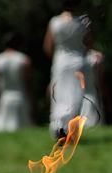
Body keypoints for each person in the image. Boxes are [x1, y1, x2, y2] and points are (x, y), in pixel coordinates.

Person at [43, 0, 100, 139]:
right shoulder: (83, 22)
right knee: (76, 95)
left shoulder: (55, 22)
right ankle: (70, 127)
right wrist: (80, 54)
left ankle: (58, 125)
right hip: (78, 61)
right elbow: (89, 43)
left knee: (59, 94)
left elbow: (48, 46)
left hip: (61, 61)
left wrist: (57, 58)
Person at [0, 32, 35, 132]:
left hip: (5, 98)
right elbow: (28, 83)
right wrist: (32, 102)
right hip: (21, 97)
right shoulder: (24, 60)